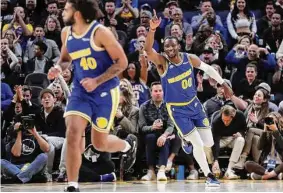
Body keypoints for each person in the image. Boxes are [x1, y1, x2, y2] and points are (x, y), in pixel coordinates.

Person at [47, 0, 137, 191]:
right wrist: (57, 68)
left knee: (99, 143)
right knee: (72, 132)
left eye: (66, 9)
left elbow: (122, 62)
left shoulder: (100, 33)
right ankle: (72, 185)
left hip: (105, 92)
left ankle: (127, 146)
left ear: (77, 13)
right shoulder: (66, 33)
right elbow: (65, 59)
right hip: (81, 91)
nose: (63, 12)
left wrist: (97, 81)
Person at [144, 10, 234, 187]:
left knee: (208, 141)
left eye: (173, 46)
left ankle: (185, 139)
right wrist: (152, 30)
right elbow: (148, 50)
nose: (169, 49)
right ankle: (209, 176)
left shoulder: (189, 58)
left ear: (179, 46)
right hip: (177, 110)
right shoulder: (163, 63)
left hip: (194, 104)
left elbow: (208, 69)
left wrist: (222, 82)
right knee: (198, 144)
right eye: (166, 47)